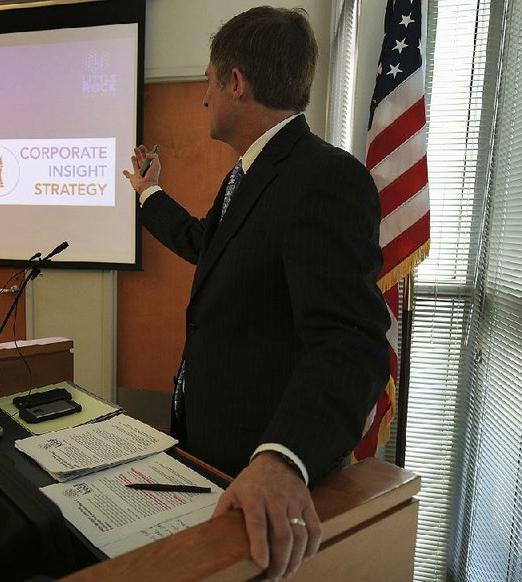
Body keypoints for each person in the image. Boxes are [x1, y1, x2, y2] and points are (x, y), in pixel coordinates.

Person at [123, 6, 390, 580]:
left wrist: (283, 456)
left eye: (207, 84)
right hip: (213, 459)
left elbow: (351, 340)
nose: (203, 100)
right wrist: (149, 195)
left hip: (262, 476)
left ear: (235, 83)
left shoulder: (324, 176)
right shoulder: (250, 173)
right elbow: (206, 244)